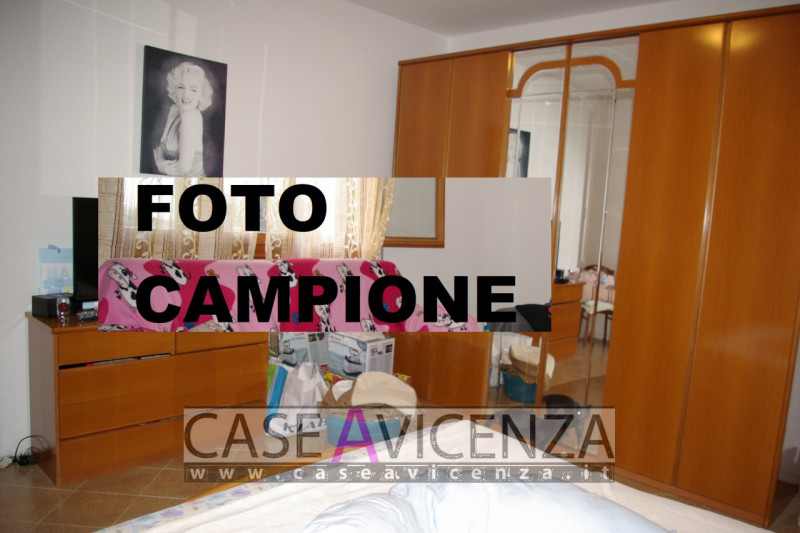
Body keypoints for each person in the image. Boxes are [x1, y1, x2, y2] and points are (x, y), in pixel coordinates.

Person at [153, 62, 213, 177]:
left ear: (201, 95)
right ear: (174, 88)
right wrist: (160, 163)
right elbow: (160, 148)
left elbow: (183, 169)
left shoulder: (190, 116)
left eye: (193, 90)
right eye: (181, 87)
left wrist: (161, 165)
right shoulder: (174, 110)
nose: (186, 94)